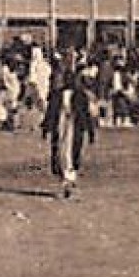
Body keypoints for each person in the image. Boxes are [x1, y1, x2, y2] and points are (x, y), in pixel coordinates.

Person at [43, 62, 97, 200]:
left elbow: (86, 114)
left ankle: (69, 180)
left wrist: (90, 131)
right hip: (61, 127)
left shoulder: (80, 96)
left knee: (73, 153)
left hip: (74, 128)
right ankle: (65, 181)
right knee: (60, 154)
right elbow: (51, 113)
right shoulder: (57, 95)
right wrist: (46, 128)